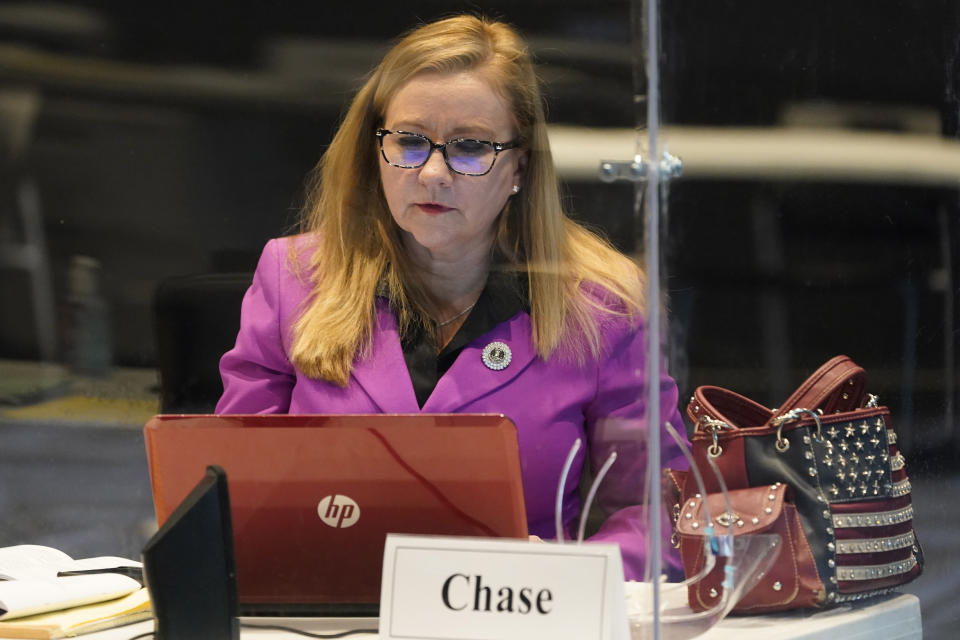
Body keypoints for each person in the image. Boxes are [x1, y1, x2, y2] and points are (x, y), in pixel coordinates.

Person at [216, 14, 686, 580]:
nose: (433, 173)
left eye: (469, 148)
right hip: (330, 614)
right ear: (375, 151)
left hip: (517, 615)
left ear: (519, 167)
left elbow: (660, 516)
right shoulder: (293, 276)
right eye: (410, 142)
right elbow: (233, 494)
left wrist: (567, 572)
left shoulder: (605, 305)